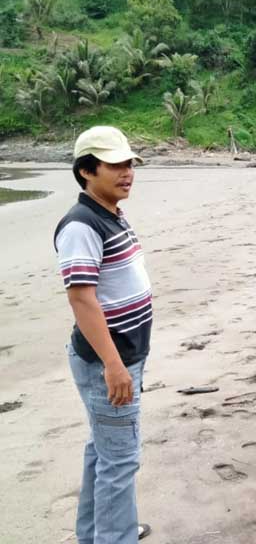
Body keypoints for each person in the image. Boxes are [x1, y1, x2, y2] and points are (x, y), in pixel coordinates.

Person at [54, 126, 153, 544]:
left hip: (124, 354)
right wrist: (113, 365)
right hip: (106, 361)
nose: (126, 172)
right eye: (115, 164)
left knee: (104, 450)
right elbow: (82, 300)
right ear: (86, 171)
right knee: (120, 460)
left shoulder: (109, 213)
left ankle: (100, 533)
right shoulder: (81, 224)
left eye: (129, 163)